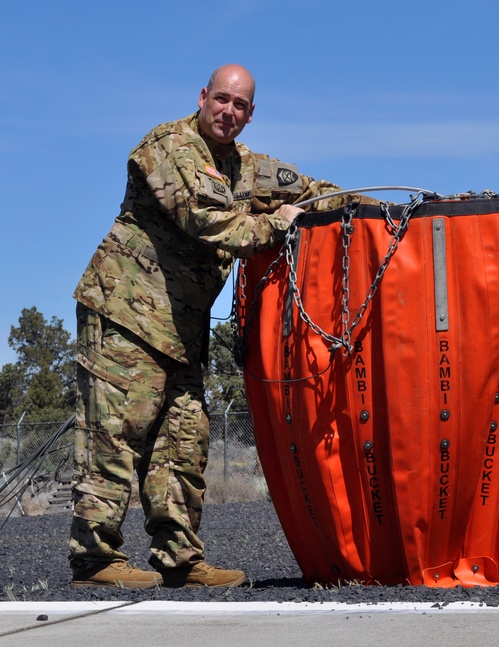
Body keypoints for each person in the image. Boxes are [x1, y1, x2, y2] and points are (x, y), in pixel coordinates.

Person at [70, 64, 356, 588]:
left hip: (181, 331)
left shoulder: (247, 167)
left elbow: (316, 194)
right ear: (203, 97)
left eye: (240, 105)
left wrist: (379, 208)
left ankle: (179, 560)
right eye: (221, 99)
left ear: (251, 113)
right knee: (115, 438)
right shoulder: (168, 147)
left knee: (183, 440)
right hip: (126, 317)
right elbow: (206, 220)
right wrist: (277, 223)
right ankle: (94, 561)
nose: (228, 112)